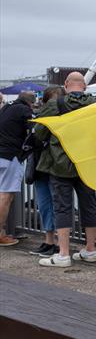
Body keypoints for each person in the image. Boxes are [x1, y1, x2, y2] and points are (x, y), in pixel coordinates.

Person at [34, 74, 96, 267]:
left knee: (62, 207)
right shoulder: (95, 105)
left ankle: (63, 254)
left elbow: (40, 132)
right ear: (85, 86)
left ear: (65, 85)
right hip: (87, 162)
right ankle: (90, 250)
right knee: (89, 205)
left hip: (60, 163)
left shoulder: (55, 104)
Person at [27, 86, 64, 256]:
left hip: (53, 167)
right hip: (41, 166)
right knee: (44, 205)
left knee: (56, 205)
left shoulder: (62, 118)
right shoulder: (40, 117)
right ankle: (49, 240)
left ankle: (59, 243)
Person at [0, 91, 36, 246]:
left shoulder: (6, 108)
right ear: (31, 103)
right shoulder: (24, 110)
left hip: (1, 153)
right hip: (11, 156)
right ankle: (0, 234)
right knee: (5, 195)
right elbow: (35, 130)